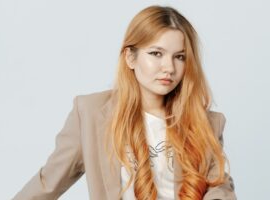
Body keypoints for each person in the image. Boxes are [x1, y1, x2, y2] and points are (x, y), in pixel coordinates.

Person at [13, 5, 236, 200]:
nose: (169, 67)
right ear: (130, 57)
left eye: (180, 57)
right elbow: (48, 184)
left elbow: (220, 188)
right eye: (156, 53)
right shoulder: (91, 114)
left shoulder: (206, 122)